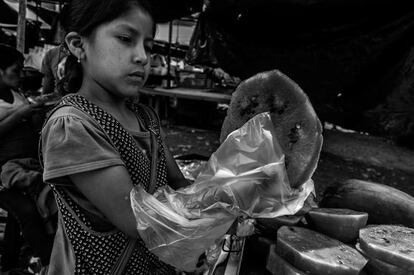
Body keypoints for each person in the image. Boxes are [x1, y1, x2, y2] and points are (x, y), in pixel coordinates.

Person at [40, 0, 190, 274]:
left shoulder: (146, 118)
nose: (143, 58)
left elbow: (178, 183)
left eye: (148, 46)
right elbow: (140, 222)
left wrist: (234, 183)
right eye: (125, 39)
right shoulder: (73, 125)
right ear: (78, 44)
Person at [0, 44, 54, 273]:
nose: (21, 75)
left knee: (31, 209)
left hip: (25, 163)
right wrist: (22, 113)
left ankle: (10, 262)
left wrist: (38, 113)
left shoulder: (17, 94)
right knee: (28, 212)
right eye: (16, 69)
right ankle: (51, 262)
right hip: (3, 173)